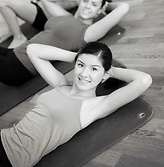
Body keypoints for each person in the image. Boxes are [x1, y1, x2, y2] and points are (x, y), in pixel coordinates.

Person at [0, 41, 152, 167]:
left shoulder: (94, 106)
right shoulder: (61, 84)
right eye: (80, 65)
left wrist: (109, 70)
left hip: (11, 159)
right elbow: (33, 50)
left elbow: (144, 80)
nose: (84, 74)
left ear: (105, 75)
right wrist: (81, 57)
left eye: (94, 69)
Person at [0, 0, 129, 85]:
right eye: (85, 0)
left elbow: (124, 7)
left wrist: (105, 5)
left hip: (20, 67)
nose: (88, 6)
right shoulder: (64, 15)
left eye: (94, 4)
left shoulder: (89, 32)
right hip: (14, 52)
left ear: (99, 10)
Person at [0, 0, 122, 49]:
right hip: (42, 5)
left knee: (2, 2)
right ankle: (14, 31)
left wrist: (107, 6)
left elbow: (120, 2)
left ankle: (19, 36)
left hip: (42, 13)